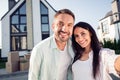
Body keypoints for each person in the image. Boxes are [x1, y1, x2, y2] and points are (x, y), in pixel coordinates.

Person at [28, 9, 75, 80]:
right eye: (60, 24)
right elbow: (33, 77)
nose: (64, 29)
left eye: (69, 25)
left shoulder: (74, 47)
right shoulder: (39, 49)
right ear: (53, 27)